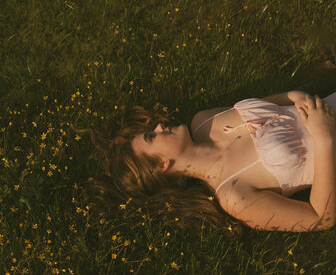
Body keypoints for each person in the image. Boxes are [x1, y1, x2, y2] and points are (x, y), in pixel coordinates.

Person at [76, 62, 336, 236]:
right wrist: (323, 138)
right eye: (150, 136)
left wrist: (298, 97)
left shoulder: (204, 122)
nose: (158, 126)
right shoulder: (235, 198)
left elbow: (277, 101)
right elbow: (320, 218)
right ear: (162, 164)